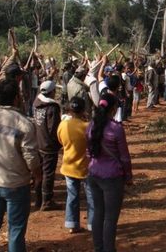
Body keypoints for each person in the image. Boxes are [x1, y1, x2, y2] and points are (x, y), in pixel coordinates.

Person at [0, 77, 42, 252]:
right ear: (16, 98)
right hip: (16, 184)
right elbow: (31, 158)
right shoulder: (25, 124)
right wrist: (37, 176)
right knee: (15, 230)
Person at [86, 94, 133, 252]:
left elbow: (88, 151)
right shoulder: (116, 128)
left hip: (93, 173)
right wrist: (128, 177)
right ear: (113, 109)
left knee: (98, 213)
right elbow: (124, 157)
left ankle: (98, 248)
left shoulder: (91, 125)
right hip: (112, 177)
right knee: (110, 218)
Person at [57, 97, 94, 233]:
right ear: (83, 109)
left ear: (70, 110)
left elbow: (60, 140)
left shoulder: (63, 125)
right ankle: (92, 224)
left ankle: (72, 224)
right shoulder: (88, 126)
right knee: (91, 196)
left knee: (72, 196)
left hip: (69, 165)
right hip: (86, 167)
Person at [33, 80, 61, 211]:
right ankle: (47, 201)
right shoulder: (53, 107)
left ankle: (38, 199)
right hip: (49, 145)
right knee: (48, 174)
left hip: (38, 142)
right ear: (52, 92)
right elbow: (53, 128)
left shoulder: (36, 103)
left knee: (39, 172)